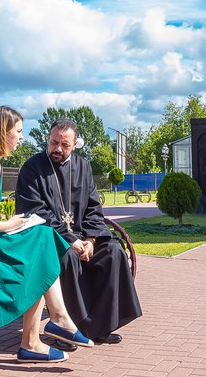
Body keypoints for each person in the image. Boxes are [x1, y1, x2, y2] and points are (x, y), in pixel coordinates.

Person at [0, 106, 94, 362]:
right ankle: (44, 331)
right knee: (40, 240)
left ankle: (47, 328)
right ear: (3, 132)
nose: (21, 137)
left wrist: (8, 223)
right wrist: (9, 224)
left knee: (41, 238)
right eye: (18, 131)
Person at [15, 118, 142, 344]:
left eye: (65, 145)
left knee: (113, 252)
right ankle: (67, 330)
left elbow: (94, 208)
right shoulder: (32, 168)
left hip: (85, 236)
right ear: (48, 138)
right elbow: (34, 211)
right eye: (54, 142)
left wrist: (91, 240)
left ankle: (100, 328)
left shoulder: (83, 167)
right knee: (67, 258)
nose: (58, 149)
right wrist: (71, 240)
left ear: (75, 145)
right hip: (51, 238)